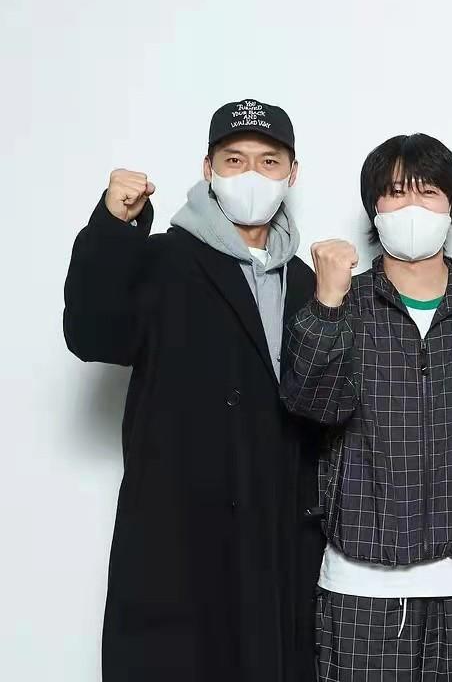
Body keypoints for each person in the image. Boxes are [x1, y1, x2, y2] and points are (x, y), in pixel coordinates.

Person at [63, 99, 323, 682]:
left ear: (292, 173)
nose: (251, 174)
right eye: (234, 160)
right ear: (208, 169)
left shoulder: (307, 283)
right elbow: (91, 333)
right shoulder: (163, 261)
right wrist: (112, 227)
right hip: (179, 536)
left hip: (277, 538)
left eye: (268, 161)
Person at [281, 133, 452, 682]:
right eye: (396, 193)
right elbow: (308, 403)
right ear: (374, 207)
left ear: (451, 206)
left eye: (428, 192)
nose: (412, 206)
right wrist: (327, 304)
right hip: (361, 584)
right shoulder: (341, 304)